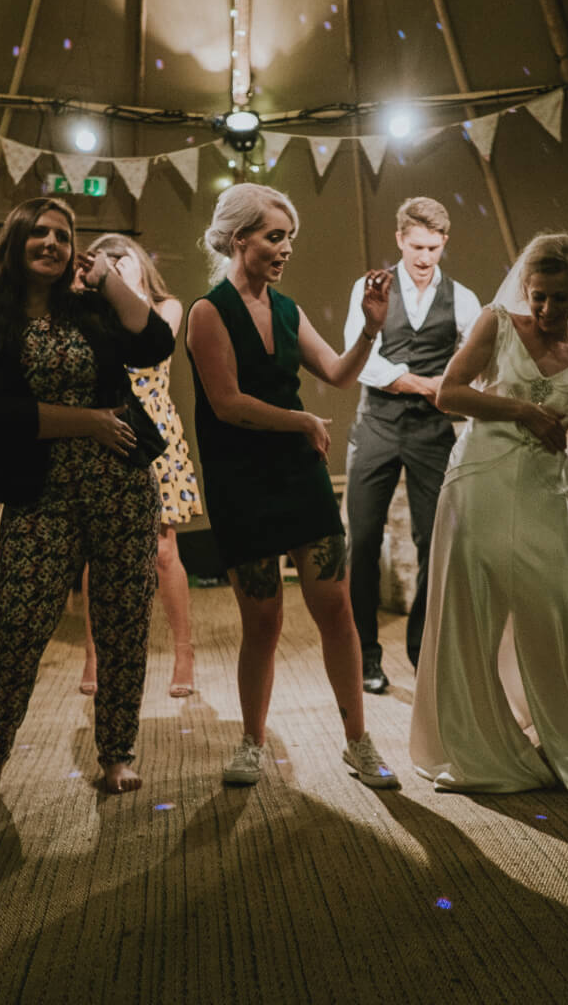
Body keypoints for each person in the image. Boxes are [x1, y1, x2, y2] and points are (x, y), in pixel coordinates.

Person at [410, 233, 568, 794]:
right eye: (538, 296)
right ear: (526, 289)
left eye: (559, 299)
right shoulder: (497, 323)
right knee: (470, 617)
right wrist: (523, 409)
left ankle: (557, 737)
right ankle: (477, 749)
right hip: (477, 483)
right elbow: (449, 393)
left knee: (557, 614)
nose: (546, 310)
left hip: (545, 496)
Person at [0, 196, 174, 802]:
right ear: (17, 241)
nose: (52, 243)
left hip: (120, 487)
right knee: (18, 625)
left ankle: (116, 754)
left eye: (63, 235)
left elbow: (155, 343)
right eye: (40, 233)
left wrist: (105, 277)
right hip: (38, 491)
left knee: (123, 622)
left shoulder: (91, 311)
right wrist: (90, 422)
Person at [186, 183, 398, 788]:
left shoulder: (288, 308)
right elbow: (226, 404)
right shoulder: (208, 311)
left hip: (298, 474)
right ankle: (251, 741)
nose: (285, 249)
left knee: (335, 610)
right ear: (238, 238)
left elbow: (334, 373)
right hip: (242, 479)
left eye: (290, 239)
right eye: (275, 237)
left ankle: (358, 741)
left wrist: (369, 330)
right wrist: (301, 420)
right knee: (263, 622)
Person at [343, 197, 481, 693]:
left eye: (434, 247)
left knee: (437, 541)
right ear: (400, 239)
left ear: (445, 243)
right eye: (417, 246)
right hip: (376, 425)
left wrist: (460, 385)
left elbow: (476, 360)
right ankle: (365, 657)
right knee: (361, 539)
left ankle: (424, 650)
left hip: (431, 433)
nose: (425, 257)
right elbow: (365, 363)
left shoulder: (463, 298)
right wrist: (429, 384)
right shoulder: (370, 287)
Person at [75, 233, 202, 699]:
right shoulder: (93, 314)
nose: (114, 270)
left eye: (122, 262)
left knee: (164, 551)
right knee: (97, 552)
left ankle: (183, 652)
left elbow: (157, 342)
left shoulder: (167, 307)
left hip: (157, 434)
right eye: (107, 265)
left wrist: (127, 286)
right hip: (108, 425)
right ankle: (92, 653)